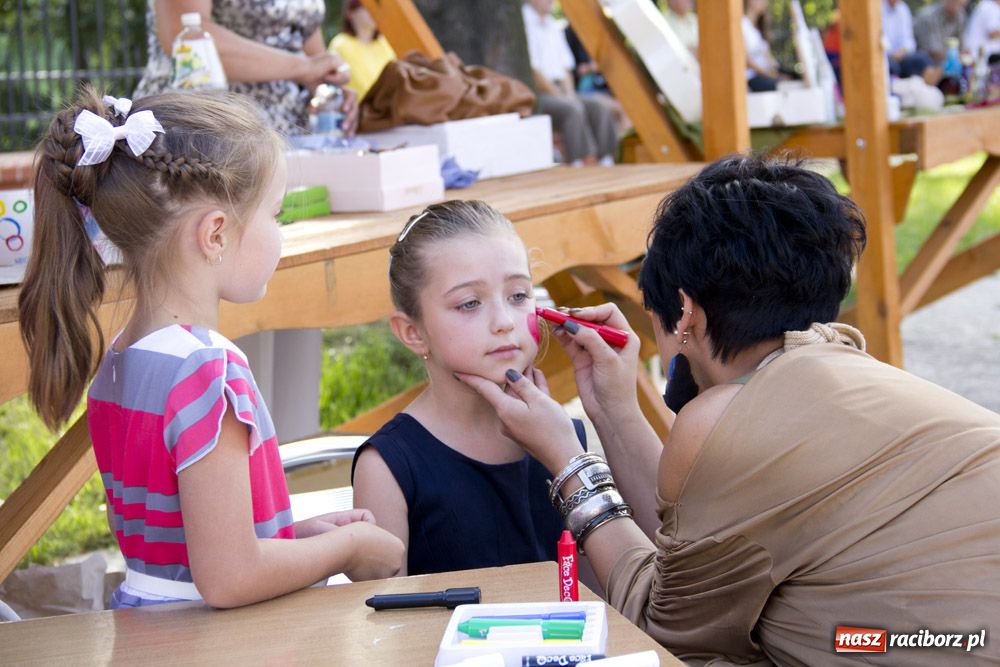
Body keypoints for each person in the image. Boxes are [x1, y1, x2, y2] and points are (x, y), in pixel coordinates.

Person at [457, 155, 1000, 664]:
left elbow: (665, 628)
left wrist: (568, 462)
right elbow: (690, 550)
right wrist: (613, 407)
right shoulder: (839, 362)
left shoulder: (725, 418)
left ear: (685, 312)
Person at [18, 88, 403, 609]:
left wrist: (305, 535)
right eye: (276, 215)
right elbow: (230, 579)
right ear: (216, 233)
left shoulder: (119, 362)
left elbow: (175, 543)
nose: (280, 233)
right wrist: (348, 548)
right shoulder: (207, 372)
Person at [351, 201, 588, 576]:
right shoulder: (389, 467)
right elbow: (386, 622)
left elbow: (602, 597)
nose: (504, 322)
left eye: (518, 296)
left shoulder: (566, 439)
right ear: (413, 333)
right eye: (469, 303)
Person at [133, 1, 357, 137]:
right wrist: (303, 68)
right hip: (208, 133)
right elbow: (181, 32)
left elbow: (307, 41)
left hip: (291, 140)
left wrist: (329, 91)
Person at [522, 0, 618, 166]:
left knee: (597, 106)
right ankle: (578, 163)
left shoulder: (552, 24)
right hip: (538, 93)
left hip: (560, 90)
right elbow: (535, 72)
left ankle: (606, 161)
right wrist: (561, 96)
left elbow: (566, 68)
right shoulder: (524, 24)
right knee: (572, 109)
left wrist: (569, 94)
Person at [329, 0, 396, 100]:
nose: (373, 13)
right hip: (357, 107)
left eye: (377, 9)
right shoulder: (341, 44)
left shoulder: (384, 44)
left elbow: (394, 77)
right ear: (350, 13)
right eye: (368, 8)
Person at [883, 0, 937, 81]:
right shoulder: (877, 7)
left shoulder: (903, 8)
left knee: (923, 59)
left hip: (902, 56)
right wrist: (891, 53)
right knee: (892, 67)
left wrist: (902, 51)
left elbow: (909, 41)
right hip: (885, 57)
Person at [742, 0, 784, 91]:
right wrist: (771, 75)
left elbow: (769, 58)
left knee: (793, 77)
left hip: (764, 74)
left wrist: (777, 71)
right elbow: (747, 61)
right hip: (752, 77)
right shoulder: (742, 24)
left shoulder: (757, 28)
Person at [914, 0, 968, 64]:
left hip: (944, 59)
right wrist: (959, 56)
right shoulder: (930, 15)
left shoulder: (960, 15)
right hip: (921, 59)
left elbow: (962, 47)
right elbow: (933, 52)